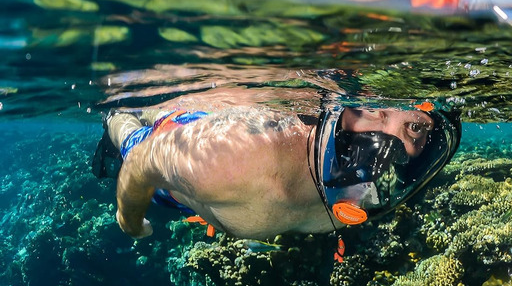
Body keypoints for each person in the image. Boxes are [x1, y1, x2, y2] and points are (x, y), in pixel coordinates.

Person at [92, 89, 462, 242]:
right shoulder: (235, 159)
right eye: (369, 110)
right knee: (132, 137)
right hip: (178, 161)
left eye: (415, 127)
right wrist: (130, 221)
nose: (388, 148)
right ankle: (118, 116)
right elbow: (143, 161)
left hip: (212, 193)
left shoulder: (375, 190)